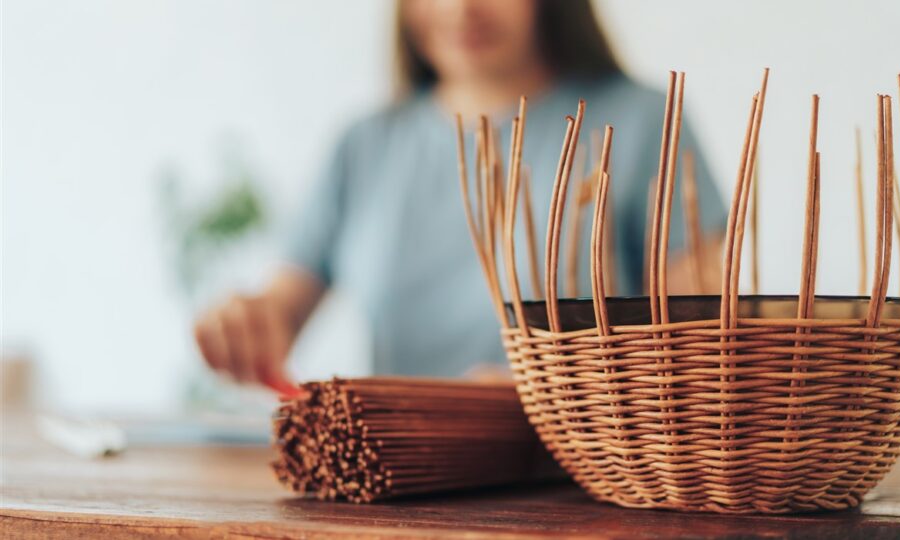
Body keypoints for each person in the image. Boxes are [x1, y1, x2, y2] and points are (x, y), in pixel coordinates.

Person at [193, 0, 727, 394]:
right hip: (395, 496)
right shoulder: (365, 144)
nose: (461, 9)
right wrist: (250, 325)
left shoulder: (643, 122)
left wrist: (551, 393)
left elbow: (708, 351)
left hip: (589, 492)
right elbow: (280, 313)